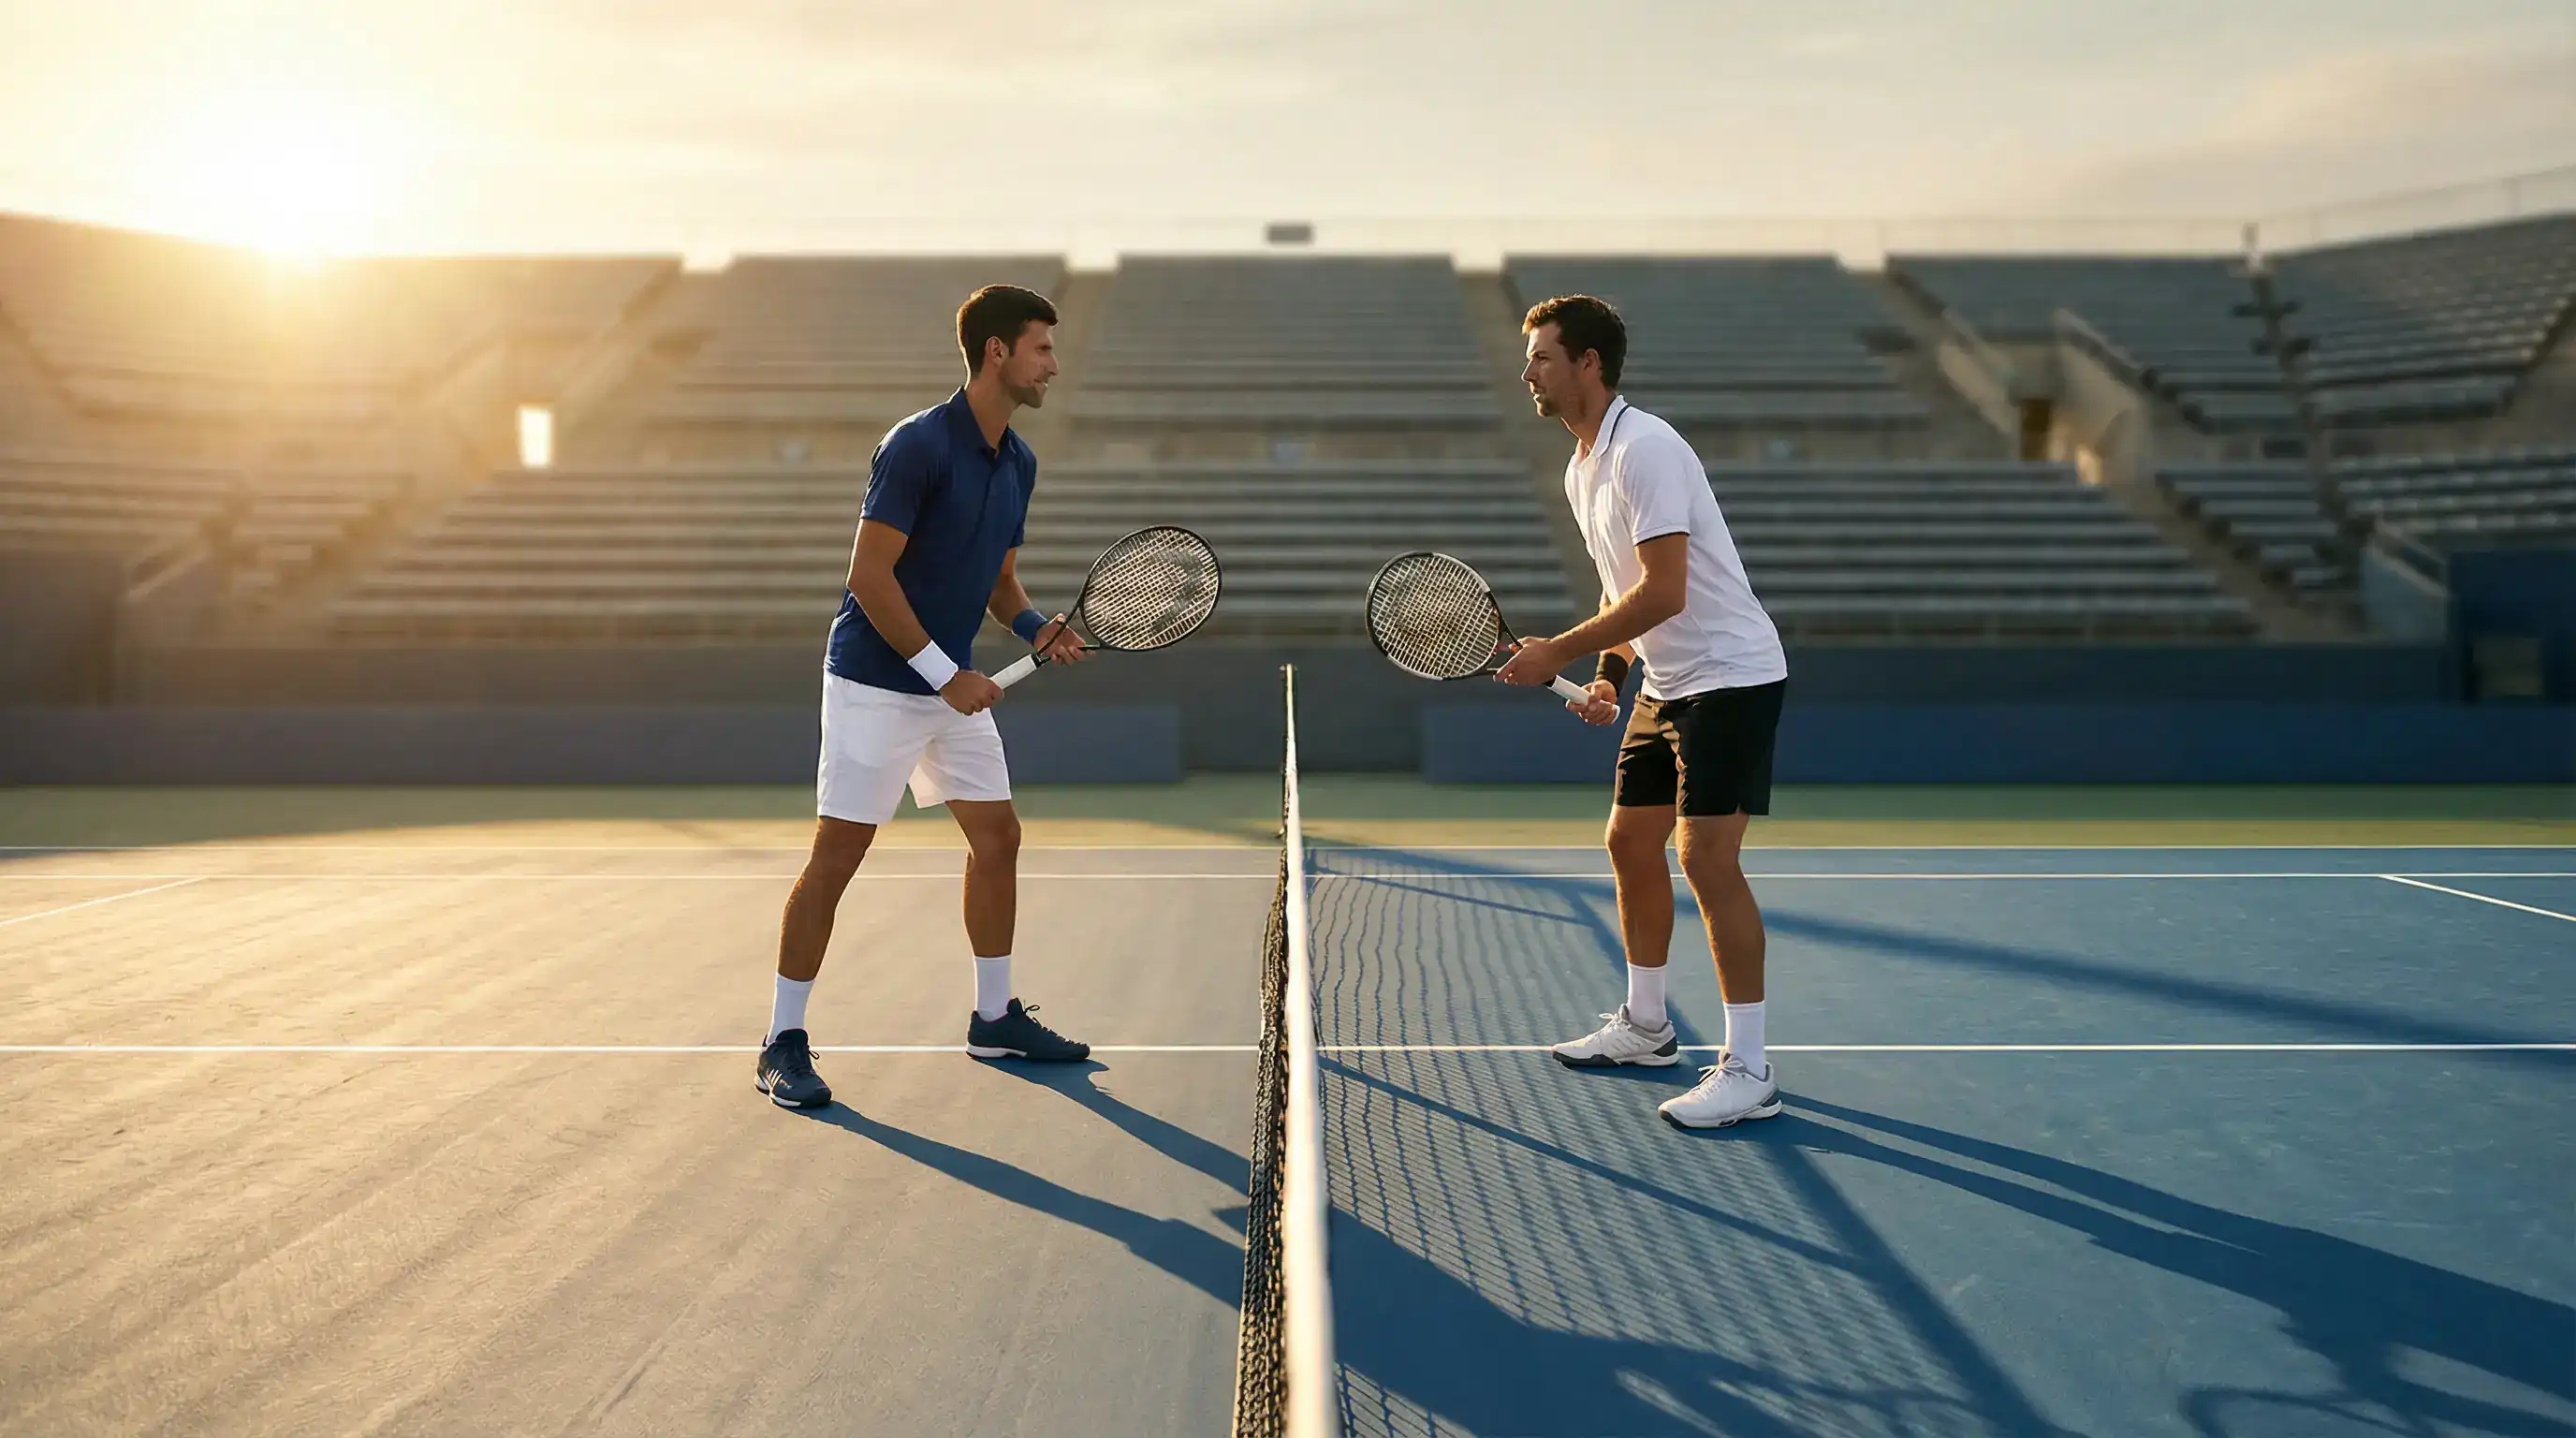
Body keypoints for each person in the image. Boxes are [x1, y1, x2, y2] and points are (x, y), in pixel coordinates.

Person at [756, 284, 1093, 1110]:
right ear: (996, 353)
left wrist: (1034, 627)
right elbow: (868, 577)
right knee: (837, 861)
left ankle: (993, 1016)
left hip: (950, 688)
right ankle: (781, 1039)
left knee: (999, 838)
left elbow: (1000, 583)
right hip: (876, 684)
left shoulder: (1019, 461)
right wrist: (948, 676)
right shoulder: (916, 446)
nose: (1055, 363)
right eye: (1042, 348)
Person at [1495, 293, 1791, 1130]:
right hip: (1666, 682)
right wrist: (1609, 673)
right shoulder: (1581, 464)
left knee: (1706, 861)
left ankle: (1749, 1069)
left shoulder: (1647, 448)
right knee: (1629, 841)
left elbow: (1666, 589)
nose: (1529, 374)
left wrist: (1555, 651)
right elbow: (1622, 585)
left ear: (1588, 363)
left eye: (1543, 358)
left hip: (1731, 676)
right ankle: (1648, 1026)